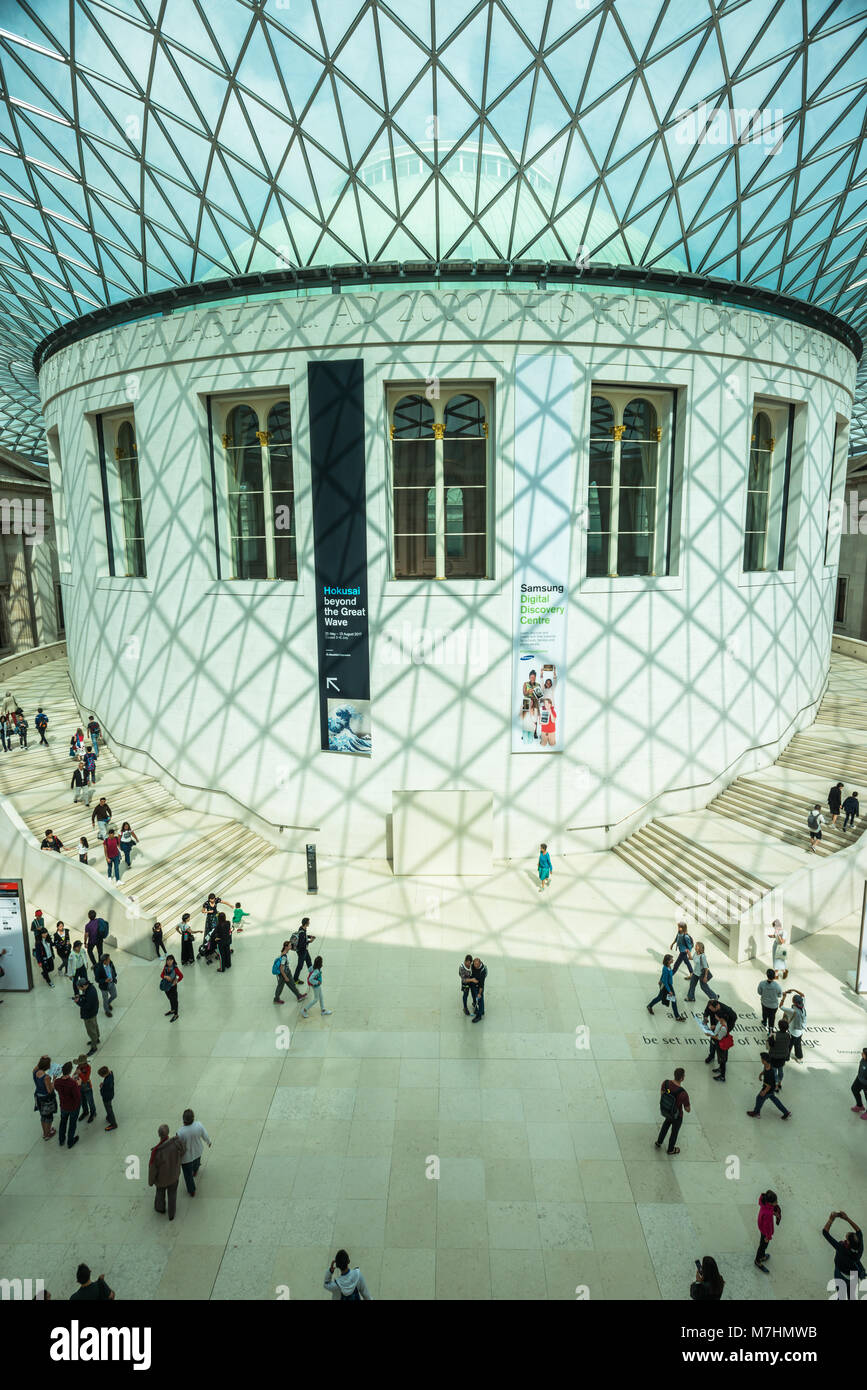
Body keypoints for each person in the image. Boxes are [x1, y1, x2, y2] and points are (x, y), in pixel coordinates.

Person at [823, 1212, 865, 1299]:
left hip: (841, 1274)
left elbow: (825, 1233)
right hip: (854, 1275)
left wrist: (831, 1219)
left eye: (846, 1240)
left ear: (848, 1244)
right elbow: (859, 1231)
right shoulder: (859, 1247)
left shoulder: (842, 1249)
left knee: (841, 1296)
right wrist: (847, 1219)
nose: (844, 1240)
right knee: (851, 1296)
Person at [148, 1124, 184, 1221]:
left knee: (160, 1193)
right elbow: (183, 1151)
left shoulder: (156, 1152)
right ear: (168, 1132)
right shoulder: (176, 1143)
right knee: (172, 1195)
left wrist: (151, 1181)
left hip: (161, 1180)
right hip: (174, 1176)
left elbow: (152, 1169)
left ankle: (160, 1208)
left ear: (159, 1135)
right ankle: (171, 1214)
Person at [177, 1108, 212, 1197]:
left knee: (188, 1175)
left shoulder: (180, 1132)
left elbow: (178, 1146)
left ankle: (192, 1191)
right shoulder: (198, 1125)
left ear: (183, 1120)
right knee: (196, 1162)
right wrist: (208, 1142)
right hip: (198, 1151)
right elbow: (205, 1134)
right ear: (193, 1118)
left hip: (186, 1158)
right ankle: (195, 1170)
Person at [655, 1067, 690, 1155]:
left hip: (667, 1111)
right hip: (677, 1115)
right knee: (674, 1132)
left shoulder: (666, 1083)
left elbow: (662, 1094)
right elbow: (687, 1109)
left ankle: (659, 1142)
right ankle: (671, 1149)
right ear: (682, 1078)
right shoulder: (683, 1093)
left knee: (665, 1125)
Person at [746, 1052, 792, 1120]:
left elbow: (769, 1085)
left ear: (764, 1060)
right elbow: (765, 1071)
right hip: (771, 1088)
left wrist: (764, 1092)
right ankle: (786, 1112)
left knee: (759, 1098)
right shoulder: (768, 1065)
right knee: (774, 1099)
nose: (761, 1060)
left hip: (768, 1088)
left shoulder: (769, 1072)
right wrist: (761, 1074)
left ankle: (756, 1113)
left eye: (761, 1059)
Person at [704, 999, 736, 1081]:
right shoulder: (720, 1023)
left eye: (716, 1016)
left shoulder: (723, 1027)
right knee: (721, 1058)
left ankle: (722, 1075)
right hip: (720, 1039)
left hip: (722, 1043)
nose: (714, 1016)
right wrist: (714, 1027)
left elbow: (718, 1037)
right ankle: (720, 1069)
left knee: (722, 1059)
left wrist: (710, 1034)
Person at [647, 953, 685, 1021]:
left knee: (665, 998)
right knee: (661, 998)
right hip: (666, 987)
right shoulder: (665, 969)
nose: (673, 960)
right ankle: (677, 1016)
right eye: (671, 959)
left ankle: (650, 1005)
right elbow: (665, 981)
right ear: (668, 961)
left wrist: (660, 979)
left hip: (669, 985)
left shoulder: (669, 967)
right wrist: (669, 991)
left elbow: (664, 976)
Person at [55, 1061, 82, 1150]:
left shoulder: (57, 1082)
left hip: (63, 1106)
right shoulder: (73, 1084)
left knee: (63, 1122)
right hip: (73, 1107)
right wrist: (79, 1085)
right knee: (72, 1124)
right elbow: (77, 1097)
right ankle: (70, 1141)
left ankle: (61, 1139)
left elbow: (56, 1088)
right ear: (70, 1071)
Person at [273, 940, 308, 1005]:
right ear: (286, 947)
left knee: (292, 984)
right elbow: (281, 968)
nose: (291, 946)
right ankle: (276, 999)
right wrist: (285, 977)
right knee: (280, 987)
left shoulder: (284, 954)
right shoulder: (283, 956)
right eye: (290, 946)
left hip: (287, 971)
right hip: (283, 974)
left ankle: (298, 995)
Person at [755, 1190, 781, 1272]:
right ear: (770, 1203)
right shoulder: (767, 1215)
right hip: (765, 1231)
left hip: (761, 1225)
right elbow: (767, 1227)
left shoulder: (764, 1203)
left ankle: (762, 1256)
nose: (777, 1203)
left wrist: (773, 1212)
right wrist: (768, 1237)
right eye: (775, 1202)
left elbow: (768, 1210)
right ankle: (758, 1261)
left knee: (763, 1245)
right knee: (763, 1246)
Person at [33, 1056, 57, 1140]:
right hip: (46, 1099)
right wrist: (54, 1080)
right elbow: (49, 1090)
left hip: (38, 1096)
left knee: (43, 1116)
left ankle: (44, 1133)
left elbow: (37, 1066)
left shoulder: (35, 1071)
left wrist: (42, 1058)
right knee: (48, 1116)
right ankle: (48, 1133)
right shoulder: (46, 1077)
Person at [780, 990, 806, 1063]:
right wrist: (794, 990)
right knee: (798, 1044)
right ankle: (799, 1057)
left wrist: (784, 997)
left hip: (792, 1032)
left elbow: (781, 1006)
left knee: (788, 1045)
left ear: (794, 1002)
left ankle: (786, 1057)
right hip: (800, 1031)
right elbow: (803, 994)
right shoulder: (803, 1007)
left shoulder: (792, 1010)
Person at [76, 978, 100, 1054]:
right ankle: (97, 1039)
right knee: (95, 1026)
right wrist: (81, 996)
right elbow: (86, 998)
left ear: (83, 986)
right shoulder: (90, 988)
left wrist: (78, 1002)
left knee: (91, 1030)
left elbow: (87, 1006)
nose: (78, 988)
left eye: (79, 987)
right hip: (93, 1012)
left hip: (89, 1014)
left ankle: (94, 1047)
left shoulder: (90, 993)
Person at [768, 1018, 792, 1089]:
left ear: (779, 1026)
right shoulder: (788, 1035)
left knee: (774, 1071)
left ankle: (775, 1086)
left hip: (774, 1056)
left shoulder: (774, 1035)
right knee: (780, 1070)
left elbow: (770, 1045)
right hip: (782, 1057)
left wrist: (770, 1037)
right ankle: (779, 1083)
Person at [74, 1054, 97, 1124]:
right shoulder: (78, 1067)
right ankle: (85, 1111)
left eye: (80, 1064)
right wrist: (76, 1075)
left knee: (90, 1102)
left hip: (87, 1087)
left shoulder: (88, 1068)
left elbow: (85, 1079)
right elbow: (75, 1076)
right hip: (80, 1087)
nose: (79, 1065)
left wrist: (80, 1073)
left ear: (84, 1063)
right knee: (83, 1101)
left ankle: (93, 1113)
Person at [757, 968, 782, 1032]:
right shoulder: (777, 986)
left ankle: (764, 1022)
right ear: (774, 976)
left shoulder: (761, 983)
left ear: (767, 975)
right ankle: (770, 1031)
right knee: (772, 1017)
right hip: (773, 1006)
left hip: (764, 1003)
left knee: (764, 1013)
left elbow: (759, 992)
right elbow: (780, 995)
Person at [160, 955, 182, 1021]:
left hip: (173, 987)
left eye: (171, 960)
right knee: (170, 998)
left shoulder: (175, 968)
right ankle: (172, 1010)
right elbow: (161, 975)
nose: (169, 962)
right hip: (166, 986)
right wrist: (165, 977)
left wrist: (176, 981)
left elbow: (181, 976)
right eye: (168, 960)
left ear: (173, 961)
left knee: (174, 1000)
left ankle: (176, 1014)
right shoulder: (165, 967)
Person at [97, 1065, 117, 1130]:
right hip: (111, 1094)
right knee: (108, 1107)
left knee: (109, 1109)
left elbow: (104, 1090)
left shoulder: (107, 1083)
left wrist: (101, 1087)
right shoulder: (110, 1074)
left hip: (107, 1097)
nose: (101, 1077)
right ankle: (109, 1117)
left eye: (102, 1076)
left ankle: (113, 1124)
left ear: (105, 1074)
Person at [469, 955, 487, 1022]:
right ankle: (476, 1007)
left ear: (479, 963)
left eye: (477, 964)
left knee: (480, 999)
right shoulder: (473, 966)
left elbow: (481, 985)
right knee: (474, 996)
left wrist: (479, 993)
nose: (475, 965)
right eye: (474, 963)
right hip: (473, 984)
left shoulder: (482, 971)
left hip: (479, 986)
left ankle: (479, 1015)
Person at [851, 1048, 867, 1112]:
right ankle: (859, 1106)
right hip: (859, 1079)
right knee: (854, 1089)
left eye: (863, 1054)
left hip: (866, 1083)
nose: (862, 1054)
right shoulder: (863, 1059)